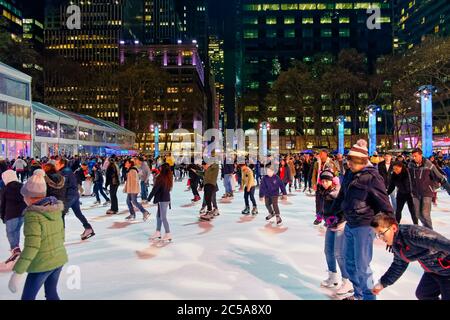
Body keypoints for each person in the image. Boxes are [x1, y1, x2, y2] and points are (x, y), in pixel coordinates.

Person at [329, 139, 394, 300]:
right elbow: (343, 196)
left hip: (365, 226)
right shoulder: (351, 174)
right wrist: (333, 214)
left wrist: (392, 232)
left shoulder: (373, 178)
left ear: (362, 161)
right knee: (350, 265)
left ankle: (368, 297)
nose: (348, 164)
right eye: (348, 161)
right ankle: (359, 295)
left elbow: (386, 206)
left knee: (362, 267)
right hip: (350, 224)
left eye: (351, 162)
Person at [7, 169, 68, 300]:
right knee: (51, 294)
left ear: (29, 197)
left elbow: (32, 246)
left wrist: (18, 272)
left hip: (42, 263)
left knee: (28, 298)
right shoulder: (54, 209)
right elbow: (61, 234)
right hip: (58, 259)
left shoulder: (32, 216)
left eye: (24, 196)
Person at [370, 213, 450, 300]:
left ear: (393, 228)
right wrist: (383, 283)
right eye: (378, 235)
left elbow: (439, 242)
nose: (381, 238)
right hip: (432, 271)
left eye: (382, 233)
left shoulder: (414, 234)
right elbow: (399, 264)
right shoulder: (396, 243)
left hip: (447, 272)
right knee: (423, 294)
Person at [315, 170, 353, 297]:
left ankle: (347, 281)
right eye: (323, 181)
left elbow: (344, 209)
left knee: (339, 253)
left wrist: (339, 221)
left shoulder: (337, 192)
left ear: (332, 181)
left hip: (340, 225)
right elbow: (325, 208)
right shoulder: (324, 191)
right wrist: (322, 216)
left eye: (327, 181)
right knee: (328, 251)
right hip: (331, 225)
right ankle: (333, 277)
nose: (325, 183)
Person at [408, 148, 450, 229]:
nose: (413, 158)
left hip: (427, 191)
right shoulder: (410, 165)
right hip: (415, 192)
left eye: (415, 156)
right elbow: (408, 178)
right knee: (417, 213)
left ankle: (430, 232)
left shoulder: (429, 165)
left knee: (425, 213)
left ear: (420, 155)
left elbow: (440, 177)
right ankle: (426, 228)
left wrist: (448, 189)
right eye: (412, 156)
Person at [56, 158, 94, 240]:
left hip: (69, 196)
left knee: (61, 213)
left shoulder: (64, 172)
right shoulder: (67, 171)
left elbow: (63, 185)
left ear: (62, 164)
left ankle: (60, 236)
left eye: (57, 163)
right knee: (78, 213)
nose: (56, 165)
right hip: (74, 195)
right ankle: (88, 228)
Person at [0, 170, 27, 264]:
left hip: (11, 214)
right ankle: (17, 248)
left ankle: (15, 249)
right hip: (22, 213)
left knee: (10, 232)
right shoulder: (22, 186)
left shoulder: (5, 188)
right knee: (16, 230)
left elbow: (2, 204)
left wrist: (2, 216)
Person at [148, 163, 173, 242]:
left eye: (160, 168)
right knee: (159, 216)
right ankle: (158, 232)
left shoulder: (161, 177)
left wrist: (148, 198)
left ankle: (168, 233)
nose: (159, 169)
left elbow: (155, 189)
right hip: (164, 199)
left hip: (163, 200)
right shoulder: (168, 177)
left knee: (163, 217)